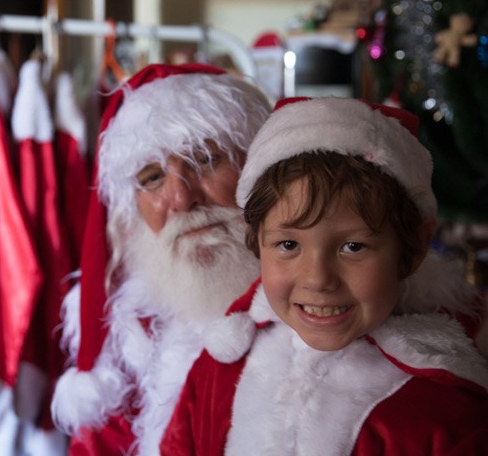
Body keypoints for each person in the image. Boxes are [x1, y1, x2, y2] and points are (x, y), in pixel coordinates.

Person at [161, 96, 488, 456]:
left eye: (353, 247)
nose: (317, 279)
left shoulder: (448, 417)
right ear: (255, 240)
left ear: (414, 247)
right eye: (288, 244)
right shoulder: (217, 371)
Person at [51, 63, 272, 456]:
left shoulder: (322, 305)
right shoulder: (129, 331)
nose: (182, 199)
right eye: (152, 178)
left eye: (205, 159)